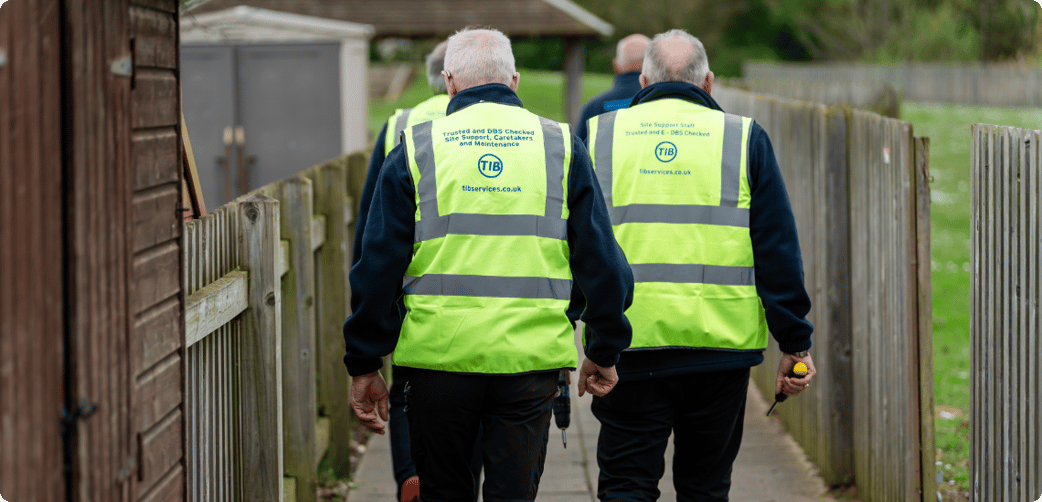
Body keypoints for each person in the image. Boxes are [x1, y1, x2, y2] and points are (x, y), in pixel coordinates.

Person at [344, 27, 634, 502]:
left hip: (438, 366)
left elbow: (377, 267)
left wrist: (365, 359)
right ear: (515, 81)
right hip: (528, 365)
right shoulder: (560, 147)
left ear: (450, 82)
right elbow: (602, 262)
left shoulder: (416, 149)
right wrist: (604, 348)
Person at [582, 29, 817, 501]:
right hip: (718, 355)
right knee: (706, 489)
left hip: (629, 350)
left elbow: (578, 246)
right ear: (708, 82)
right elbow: (775, 246)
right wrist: (794, 342)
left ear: (642, 81)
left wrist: (586, 341)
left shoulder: (599, 136)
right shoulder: (744, 138)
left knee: (626, 485)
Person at [352, 40, 462, 502]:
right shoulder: (511, 130)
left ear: (434, 75)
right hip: (491, 281)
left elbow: (373, 226)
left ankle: (411, 478)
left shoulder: (401, 122)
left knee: (407, 391)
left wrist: (365, 321)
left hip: (413, 286)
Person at [574, 34, 649, 143]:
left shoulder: (594, 108)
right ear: (654, 65)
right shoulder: (664, 104)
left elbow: (578, 154)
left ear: (616, 65)